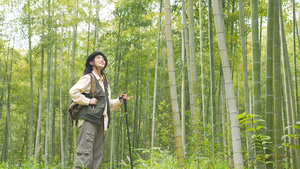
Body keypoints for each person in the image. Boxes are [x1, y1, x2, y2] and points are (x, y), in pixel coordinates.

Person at [69, 50, 127, 169]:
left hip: (101, 122)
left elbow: (107, 105)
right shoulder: (88, 78)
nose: (102, 60)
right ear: (91, 62)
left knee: (96, 156)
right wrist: (88, 101)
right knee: (85, 155)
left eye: (104, 59)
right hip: (88, 121)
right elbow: (73, 92)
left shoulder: (105, 82)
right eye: (99, 58)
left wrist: (119, 101)